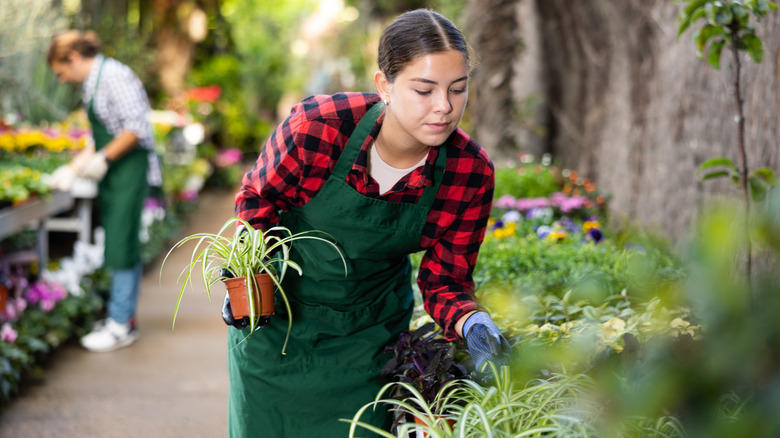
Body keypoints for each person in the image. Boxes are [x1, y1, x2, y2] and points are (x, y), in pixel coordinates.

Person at [226, 9, 510, 437]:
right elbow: (256, 204)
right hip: (277, 333)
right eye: (424, 89)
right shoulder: (320, 127)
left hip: (368, 341)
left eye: (458, 88)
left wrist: (472, 323)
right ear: (385, 86)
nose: (445, 107)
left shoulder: (468, 173)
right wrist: (248, 275)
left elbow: (445, 281)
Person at [46, 30, 161, 352]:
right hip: (116, 172)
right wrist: (73, 167)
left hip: (130, 169)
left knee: (121, 243)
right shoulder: (94, 81)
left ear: (73, 57)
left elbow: (136, 129)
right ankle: (124, 318)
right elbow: (102, 134)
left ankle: (119, 325)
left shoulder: (114, 75)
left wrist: (103, 158)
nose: (63, 78)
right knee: (118, 240)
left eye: (61, 71)